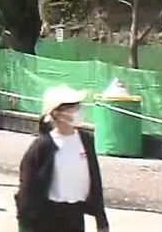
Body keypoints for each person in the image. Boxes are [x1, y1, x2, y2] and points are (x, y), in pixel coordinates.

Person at [15, 86, 109, 232]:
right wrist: (26, 224)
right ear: (56, 114)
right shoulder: (42, 146)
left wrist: (101, 220)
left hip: (75, 215)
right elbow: (28, 189)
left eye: (78, 106)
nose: (78, 111)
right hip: (47, 218)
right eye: (72, 108)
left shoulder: (85, 141)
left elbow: (94, 179)